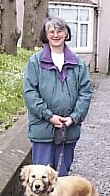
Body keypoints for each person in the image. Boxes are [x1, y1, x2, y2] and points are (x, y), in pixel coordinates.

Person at [23, 17, 92, 176]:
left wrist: (74, 118)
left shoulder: (78, 63)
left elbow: (85, 92)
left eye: (59, 31)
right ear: (46, 35)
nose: (56, 35)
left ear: (66, 33)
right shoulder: (35, 62)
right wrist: (49, 116)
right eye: (51, 31)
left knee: (62, 179)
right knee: (40, 180)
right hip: (43, 129)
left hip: (68, 129)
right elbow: (30, 93)